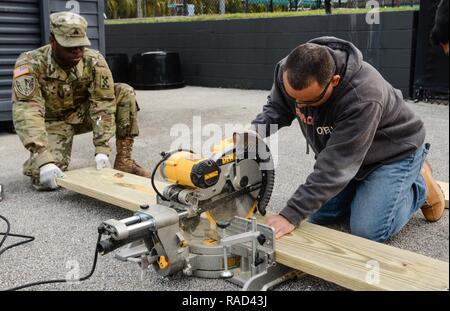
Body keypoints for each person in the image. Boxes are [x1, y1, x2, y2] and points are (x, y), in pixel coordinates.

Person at [251, 37, 446, 242]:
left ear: (334, 82)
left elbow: (335, 166)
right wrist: (256, 131)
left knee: (368, 230)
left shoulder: (363, 95)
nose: (300, 105)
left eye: (310, 101)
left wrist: (290, 214)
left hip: (393, 154)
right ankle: (366, 191)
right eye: (294, 99)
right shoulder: (289, 70)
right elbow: (277, 108)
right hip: (350, 156)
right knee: (320, 216)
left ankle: (419, 183)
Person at [12, 12, 150, 191]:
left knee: (124, 91)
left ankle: (125, 161)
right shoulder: (30, 63)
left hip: (82, 115)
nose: (77, 51)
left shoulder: (94, 60)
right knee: (45, 180)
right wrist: (42, 157)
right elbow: (27, 110)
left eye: (81, 46)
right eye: (70, 47)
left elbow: (103, 103)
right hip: (52, 122)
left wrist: (102, 148)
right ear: (52, 41)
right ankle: (38, 162)